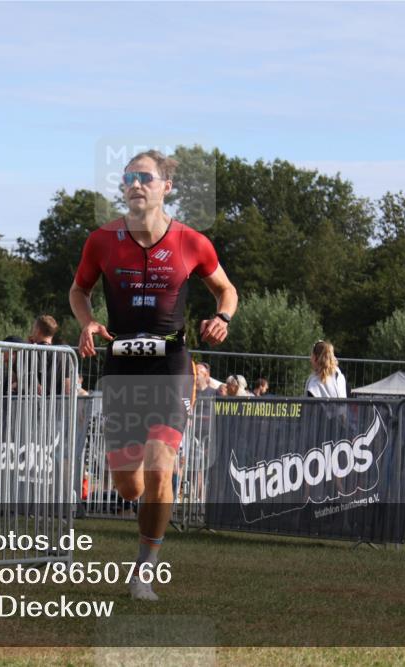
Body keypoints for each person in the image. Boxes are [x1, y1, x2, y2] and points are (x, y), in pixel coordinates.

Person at [69, 149, 237, 601]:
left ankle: (143, 571)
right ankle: (138, 491)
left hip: (172, 364)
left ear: (167, 186)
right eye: (128, 177)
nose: (135, 184)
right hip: (121, 362)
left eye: (145, 177)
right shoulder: (102, 240)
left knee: (162, 470)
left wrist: (223, 316)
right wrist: (87, 322)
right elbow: (79, 290)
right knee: (129, 485)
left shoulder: (190, 242)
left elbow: (226, 288)